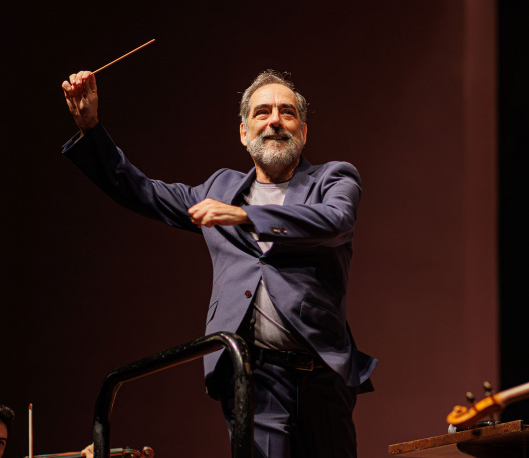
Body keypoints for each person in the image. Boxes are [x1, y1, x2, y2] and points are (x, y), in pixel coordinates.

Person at [61, 69, 376, 458]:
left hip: (323, 375)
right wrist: (91, 129)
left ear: (304, 131)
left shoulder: (333, 178)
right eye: (262, 112)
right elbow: (140, 190)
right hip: (254, 378)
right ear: (244, 132)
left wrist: (247, 217)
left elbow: (336, 220)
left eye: (287, 112)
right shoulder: (219, 190)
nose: (274, 119)